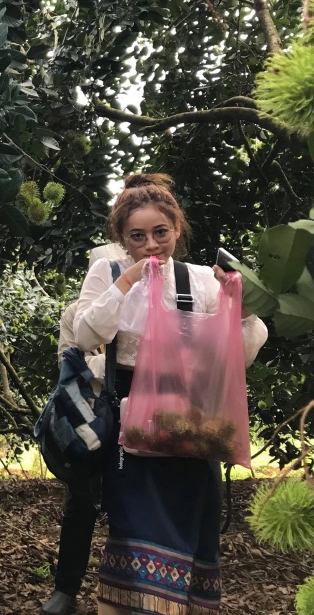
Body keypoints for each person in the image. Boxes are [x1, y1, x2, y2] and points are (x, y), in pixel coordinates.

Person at [72, 173, 267, 615]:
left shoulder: (199, 280)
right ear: (122, 239)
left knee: (192, 535)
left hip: (195, 430)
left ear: (177, 229)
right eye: (137, 236)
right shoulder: (109, 272)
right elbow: (84, 334)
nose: (151, 245)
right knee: (135, 534)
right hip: (132, 433)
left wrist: (241, 308)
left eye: (161, 233)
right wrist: (127, 284)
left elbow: (242, 351)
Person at [41, 247, 121, 615]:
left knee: (133, 504)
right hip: (90, 422)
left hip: (137, 420)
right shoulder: (75, 313)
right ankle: (66, 590)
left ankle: (128, 591)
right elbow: (68, 363)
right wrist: (117, 365)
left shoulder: (144, 306)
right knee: (81, 505)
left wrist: (99, 364)